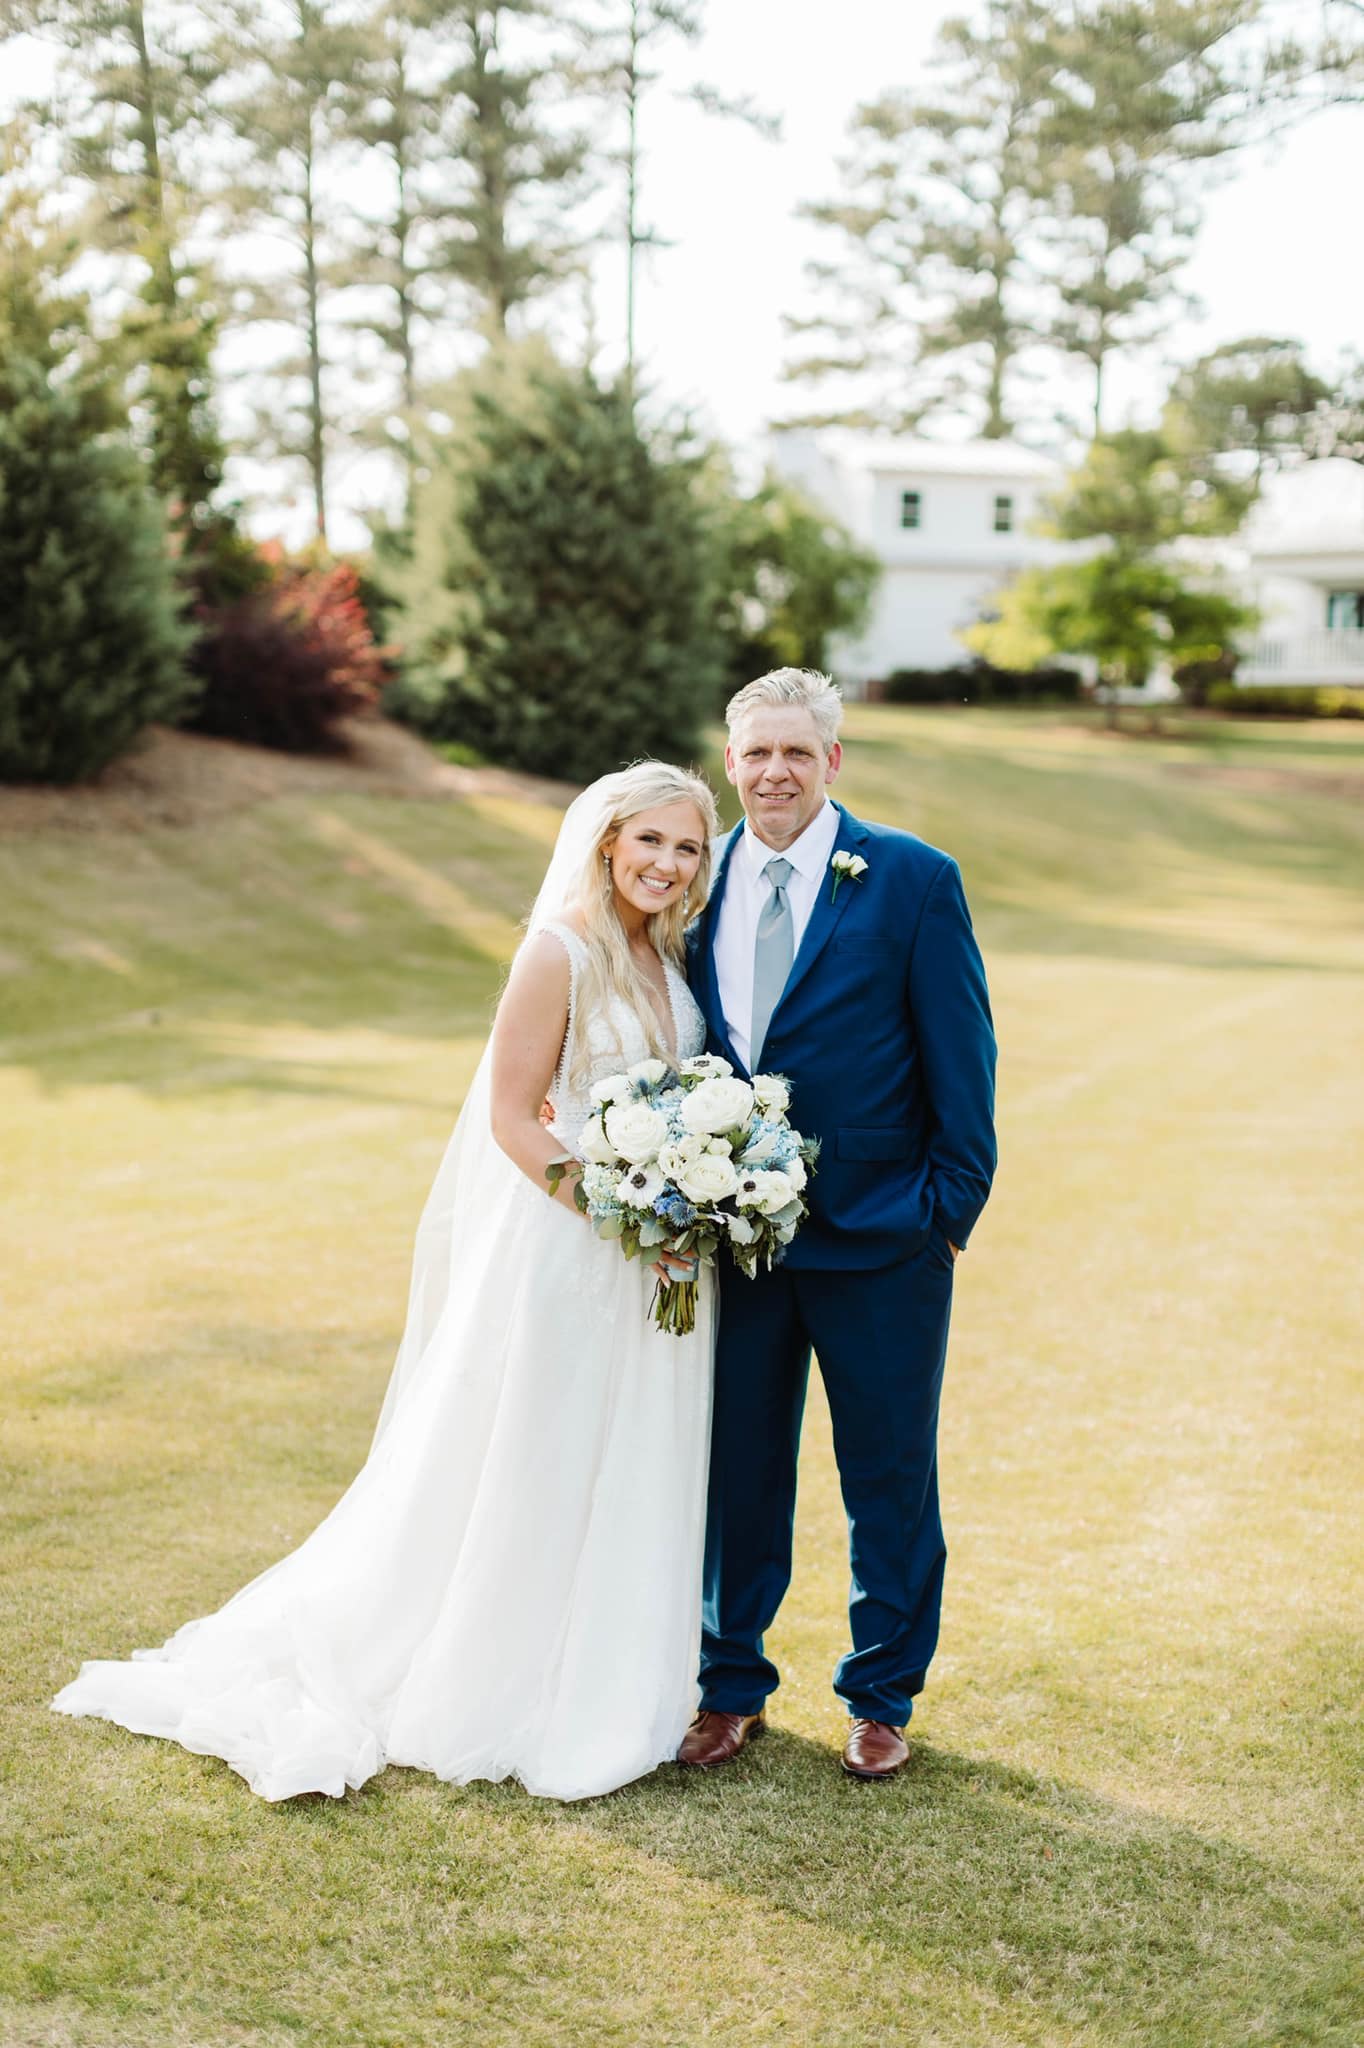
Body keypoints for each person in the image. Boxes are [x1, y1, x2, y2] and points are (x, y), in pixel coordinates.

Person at [53, 762, 719, 1804]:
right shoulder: (558, 951)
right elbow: (512, 1118)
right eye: (651, 840)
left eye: (686, 848)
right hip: (574, 1249)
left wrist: (690, 1203)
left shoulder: (664, 955)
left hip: (662, 1260)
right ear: (607, 842)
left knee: (632, 1452)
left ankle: (612, 1672)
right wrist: (621, 1217)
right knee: (540, 1455)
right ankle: (505, 1675)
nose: (667, 864)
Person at [680, 668, 997, 1780]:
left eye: (797, 753)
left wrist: (946, 1214)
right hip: (735, 1242)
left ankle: (880, 1694)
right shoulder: (693, 880)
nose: (775, 772)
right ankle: (728, 1685)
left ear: (832, 761)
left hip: (884, 1239)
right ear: (730, 762)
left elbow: (963, 1055)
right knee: (736, 1472)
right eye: (757, 753)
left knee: (888, 1476)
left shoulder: (911, 878)